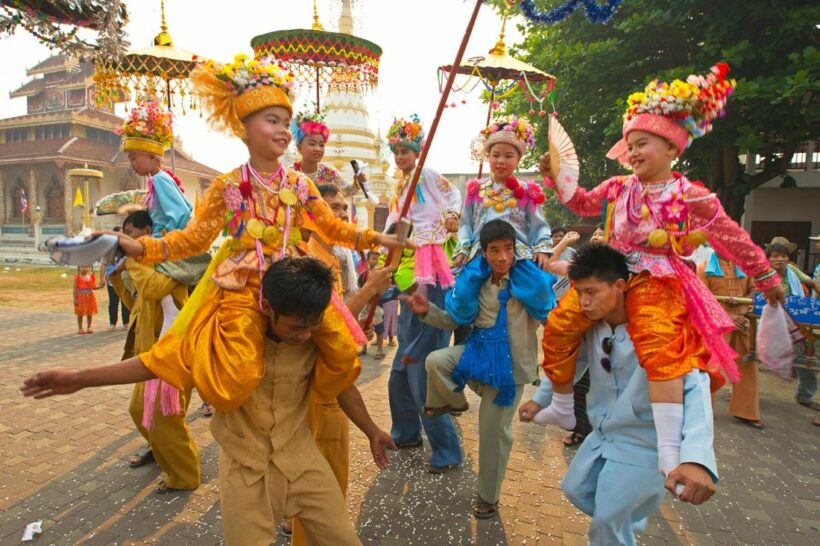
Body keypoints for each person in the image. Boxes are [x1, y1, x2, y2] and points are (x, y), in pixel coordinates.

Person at [99, 53, 404, 412]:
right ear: (243, 127)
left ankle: (307, 400)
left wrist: (375, 238)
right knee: (238, 373)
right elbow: (194, 239)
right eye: (271, 120)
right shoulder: (225, 186)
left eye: (286, 122)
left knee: (341, 351)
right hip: (242, 281)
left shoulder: (301, 185)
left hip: (293, 275)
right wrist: (141, 247)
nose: (282, 130)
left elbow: (332, 228)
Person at [21, 256, 395, 546]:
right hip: (246, 470)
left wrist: (373, 430)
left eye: (312, 326)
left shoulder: (315, 336)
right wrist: (78, 379)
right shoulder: (224, 338)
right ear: (268, 308)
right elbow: (154, 363)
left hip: (303, 461)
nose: (305, 335)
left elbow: (343, 383)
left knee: (344, 540)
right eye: (296, 326)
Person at [537, 64, 783, 479]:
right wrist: (553, 174)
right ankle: (562, 406)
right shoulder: (618, 187)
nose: (631, 152)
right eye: (629, 144)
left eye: (642, 143)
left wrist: (766, 276)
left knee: (659, 345)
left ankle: (671, 449)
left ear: (672, 147)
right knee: (561, 321)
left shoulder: (692, 195)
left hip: (658, 281)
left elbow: (731, 237)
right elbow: (580, 203)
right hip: (609, 277)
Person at [519, 244, 718, 546]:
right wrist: (542, 399)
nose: (584, 302)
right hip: (602, 436)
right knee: (576, 489)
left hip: (645, 447)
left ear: (620, 286)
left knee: (606, 525)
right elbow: (571, 361)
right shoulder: (591, 327)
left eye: (592, 292)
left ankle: (618, 519)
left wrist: (697, 460)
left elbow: (696, 387)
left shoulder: (658, 330)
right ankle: (625, 515)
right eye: (579, 293)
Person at [404, 220, 548, 518]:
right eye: (494, 250)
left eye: (508, 249)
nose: (503, 257)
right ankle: (452, 403)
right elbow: (455, 320)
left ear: (516, 250)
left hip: (508, 373)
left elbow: (552, 317)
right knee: (436, 361)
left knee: (492, 435)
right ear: (483, 252)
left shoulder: (529, 282)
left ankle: (488, 496)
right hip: (478, 356)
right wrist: (427, 311)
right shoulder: (474, 281)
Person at [108, 210, 201, 493]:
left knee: (166, 418)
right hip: (150, 356)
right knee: (139, 411)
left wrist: (135, 259)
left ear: (148, 231)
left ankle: (184, 475)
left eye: (131, 232)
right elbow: (135, 301)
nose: (127, 239)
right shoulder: (147, 265)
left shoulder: (173, 262)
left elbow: (152, 289)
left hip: (174, 355)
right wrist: (115, 275)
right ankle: (164, 452)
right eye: (124, 233)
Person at [386, 114, 461, 288]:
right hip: (409, 242)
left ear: (417, 153)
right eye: (396, 153)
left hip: (431, 240)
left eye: (405, 152)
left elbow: (453, 193)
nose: (399, 157)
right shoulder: (399, 184)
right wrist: (384, 246)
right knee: (402, 281)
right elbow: (396, 219)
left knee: (425, 287)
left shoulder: (425, 173)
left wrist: (452, 214)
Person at [697, 250, 763, 428]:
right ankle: (704, 411)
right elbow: (702, 298)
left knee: (748, 367)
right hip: (716, 325)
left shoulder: (747, 268)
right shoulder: (703, 268)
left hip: (743, 322)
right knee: (710, 367)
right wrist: (727, 317)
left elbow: (755, 292)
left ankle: (747, 412)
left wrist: (743, 307)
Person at [765, 239, 820, 412]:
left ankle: (805, 395)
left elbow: (812, 283)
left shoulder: (793, 271)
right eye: (775, 256)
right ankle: (740, 391)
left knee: (809, 355)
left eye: (783, 256)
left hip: (796, 319)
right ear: (768, 260)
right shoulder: (763, 274)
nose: (780, 259)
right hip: (769, 319)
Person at [291, 109, 367, 198]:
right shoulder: (291, 173)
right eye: (312, 144)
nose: (318, 149)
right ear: (299, 148)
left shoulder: (328, 172)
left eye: (321, 145)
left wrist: (357, 181)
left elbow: (346, 190)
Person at [97, 226, 130, 330]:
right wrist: (102, 278)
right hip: (112, 280)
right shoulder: (109, 249)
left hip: (125, 279)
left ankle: (126, 323)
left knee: (126, 301)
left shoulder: (127, 248)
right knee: (113, 302)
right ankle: (113, 323)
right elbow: (104, 264)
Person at [73, 265, 97, 334]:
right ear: (79, 268)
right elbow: (74, 290)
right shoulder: (77, 277)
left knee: (90, 312)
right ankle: (80, 327)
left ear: (89, 268)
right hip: (80, 297)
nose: (84, 268)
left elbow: (94, 287)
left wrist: (101, 285)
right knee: (80, 313)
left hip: (90, 297)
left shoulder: (92, 277)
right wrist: (75, 299)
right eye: (82, 267)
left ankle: (89, 327)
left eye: (86, 266)